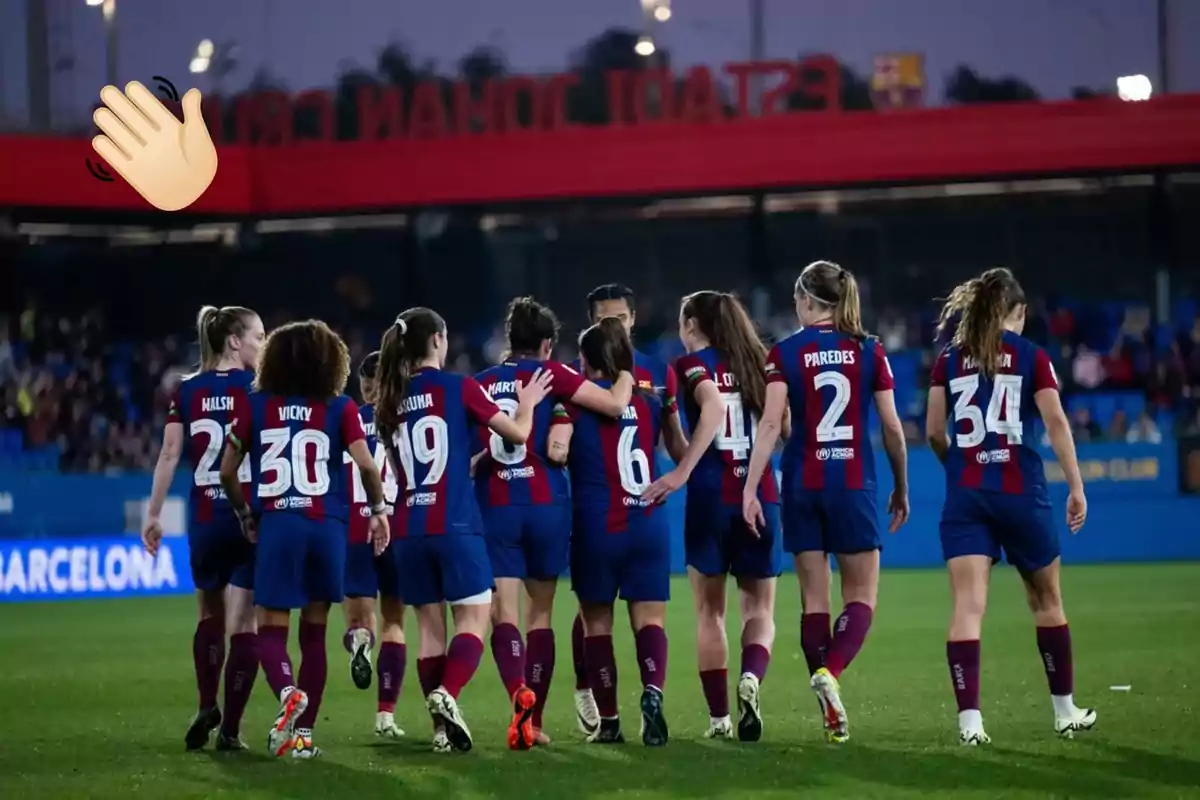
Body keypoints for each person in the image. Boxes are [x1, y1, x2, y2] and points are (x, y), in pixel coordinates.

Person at [742, 261, 910, 744]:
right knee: (861, 598)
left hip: (802, 483)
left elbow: (771, 425)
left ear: (806, 300)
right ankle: (830, 673)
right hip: (853, 483)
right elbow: (894, 429)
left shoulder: (785, 352)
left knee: (814, 600)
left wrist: (751, 488)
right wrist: (901, 485)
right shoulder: (869, 350)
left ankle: (827, 701)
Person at [926, 267, 1095, 745]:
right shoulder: (1032, 357)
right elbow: (1057, 422)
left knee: (967, 607)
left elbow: (936, 431)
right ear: (1016, 313)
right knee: (1046, 601)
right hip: (1022, 492)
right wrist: (1077, 487)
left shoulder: (949, 359)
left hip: (968, 493)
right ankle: (1064, 712)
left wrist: (959, 466)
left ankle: (971, 724)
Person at [375, 307, 553, 754]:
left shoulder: (389, 400)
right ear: (437, 340)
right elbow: (514, 435)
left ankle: (440, 731)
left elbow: (399, 471)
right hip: (455, 524)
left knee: (429, 631)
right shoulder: (459, 387)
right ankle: (448, 694)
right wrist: (528, 405)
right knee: (475, 618)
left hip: (409, 526)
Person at [218, 319, 391, 759]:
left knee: (271, 632)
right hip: (327, 527)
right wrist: (377, 511)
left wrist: (244, 513)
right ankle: (303, 738)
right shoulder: (341, 408)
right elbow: (368, 467)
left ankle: (287, 693)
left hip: (279, 523)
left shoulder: (254, 405)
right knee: (314, 636)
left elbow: (226, 470)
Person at [474, 297, 634, 749]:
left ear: (510, 339)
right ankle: (535, 721)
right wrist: (625, 371)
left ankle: (519, 711)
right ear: (547, 343)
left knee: (502, 614)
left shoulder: (480, 383)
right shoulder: (555, 375)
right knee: (539, 615)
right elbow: (614, 405)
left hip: (498, 505)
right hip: (546, 505)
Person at [641, 291, 782, 743]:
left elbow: (712, 410)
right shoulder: (759, 362)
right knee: (759, 608)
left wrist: (681, 469)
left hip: (709, 498)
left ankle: (721, 718)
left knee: (709, 613)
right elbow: (786, 426)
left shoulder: (688, 366)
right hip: (759, 493)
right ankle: (752, 680)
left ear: (690, 325)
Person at [141, 305, 266, 752]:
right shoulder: (257, 388)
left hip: (205, 519)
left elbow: (169, 455)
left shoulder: (186, 389)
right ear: (234, 340)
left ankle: (206, 703)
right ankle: (230, 729)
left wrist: (153, 515)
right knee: (245, 626)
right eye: (257, 336)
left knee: (208, 618)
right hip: (246, 515)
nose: (262, 345)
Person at [567, 283, 687, 736]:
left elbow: (557, 449)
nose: (613, 326)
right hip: (647, 514)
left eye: (618, 318)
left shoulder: (573, 386)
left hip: (597, 520)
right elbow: (674, 443)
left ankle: (611, 719)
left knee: (598, 624)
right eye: (604, 321)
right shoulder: (651, 383)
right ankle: (652, 693)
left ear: (633, 319)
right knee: (649, 620)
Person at [339, 351, 407, 740]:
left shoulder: (347, 419)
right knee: (395, 621)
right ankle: (385, 716)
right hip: (395, 524)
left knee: (357, 623)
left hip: (353, 527)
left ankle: (359, 643)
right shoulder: (404, 419)